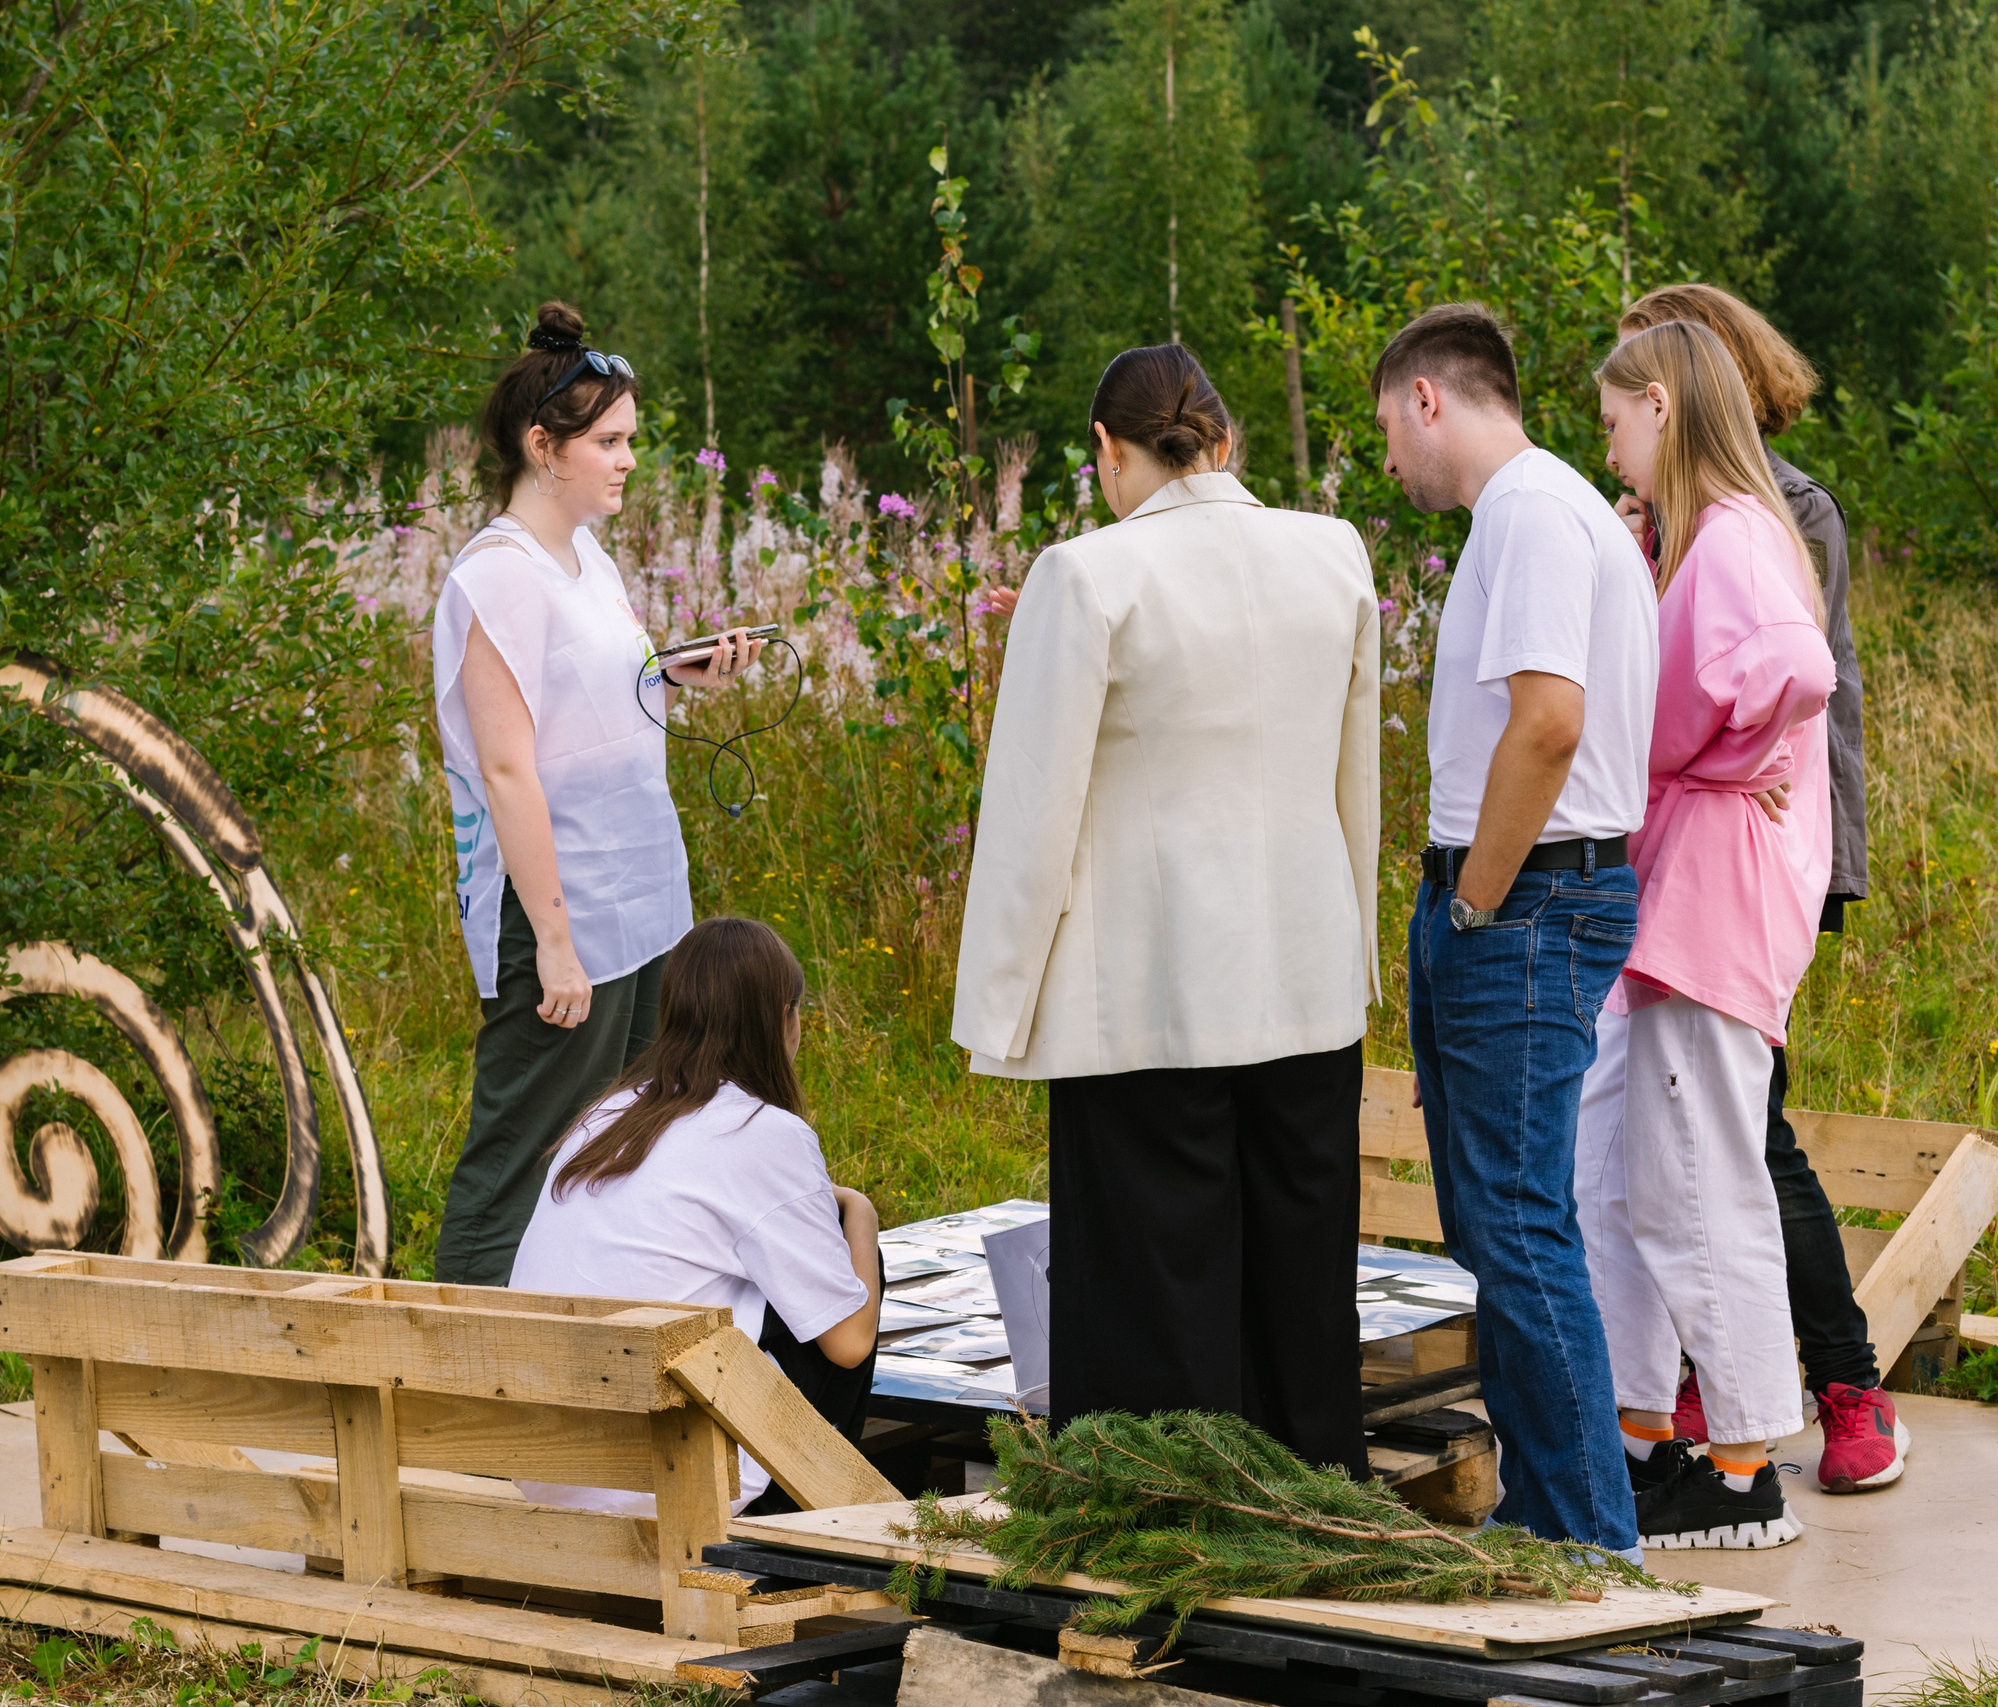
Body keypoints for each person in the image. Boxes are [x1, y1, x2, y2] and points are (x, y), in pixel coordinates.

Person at [952, 343, 1381, 1477]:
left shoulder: (1088, 575)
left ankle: (1172, 1536)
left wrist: (995, 1008)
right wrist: (1358, 948)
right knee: (1300, 1276)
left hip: (1145, 995)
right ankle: (1319, 1509)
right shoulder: (1332, 553)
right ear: (1225, 442)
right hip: (1306, 974)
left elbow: (1029, 813)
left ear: (1108, 450)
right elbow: (1355, 784)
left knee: (1155, 1283)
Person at [1602, 283, 1900, 1494]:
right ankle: (1701, 1394)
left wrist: (1707, 760)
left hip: (1760, 851)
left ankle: (1838, 1387)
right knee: (1695, 1139)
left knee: (1742, 1139)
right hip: (1708, 851)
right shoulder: (1677, 514)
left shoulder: (1781, 511)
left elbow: (1785, 672)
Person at [1377, 302, 1657, 1553]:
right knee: (1499, 1223)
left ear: (1430, 400)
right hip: (1516, 895)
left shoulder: (1535, 513)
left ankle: (1595, 1542)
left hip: (1528, 899)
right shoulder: (1539, 511)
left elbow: (1548, 722)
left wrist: (1478, 898)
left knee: (1518, 1223)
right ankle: (1555, 1516)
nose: (1388, 459)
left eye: (1389, 428)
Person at [431, 301, 764, 1286]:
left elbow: (593, 700)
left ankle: (574, 1377)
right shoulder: (496, 579)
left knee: (618, 1148)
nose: (627, 460)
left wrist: (674, 674)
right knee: (522, 1161)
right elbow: (506, 768)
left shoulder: (588, 561)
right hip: (556, 914)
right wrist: (559, 943)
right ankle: (467, 1404)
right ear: (543, 446)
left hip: (638, 898)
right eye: (609, 441)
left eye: (631, 440)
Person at [1577, 318, 1836, 1551]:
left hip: (1712, 898)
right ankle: (1645, 1432)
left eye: (1617, 415)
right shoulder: (1705, 535)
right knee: (1630, 1172)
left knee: (1695, 1180)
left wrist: (1730, 758)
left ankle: (1742, 1472)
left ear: (1664, 409)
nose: (1609, 439)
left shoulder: (1732, 536)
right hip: (1680, 892)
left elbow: (1796, 669)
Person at [507, 916, 882, 1517]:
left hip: (552, 1468)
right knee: (842, 1277)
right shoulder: (766, 1133)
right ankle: (820, 1520)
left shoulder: (604, 1118)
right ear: (782, 1018)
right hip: (665, 1482)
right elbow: (848, 1343)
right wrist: (860, 1212)